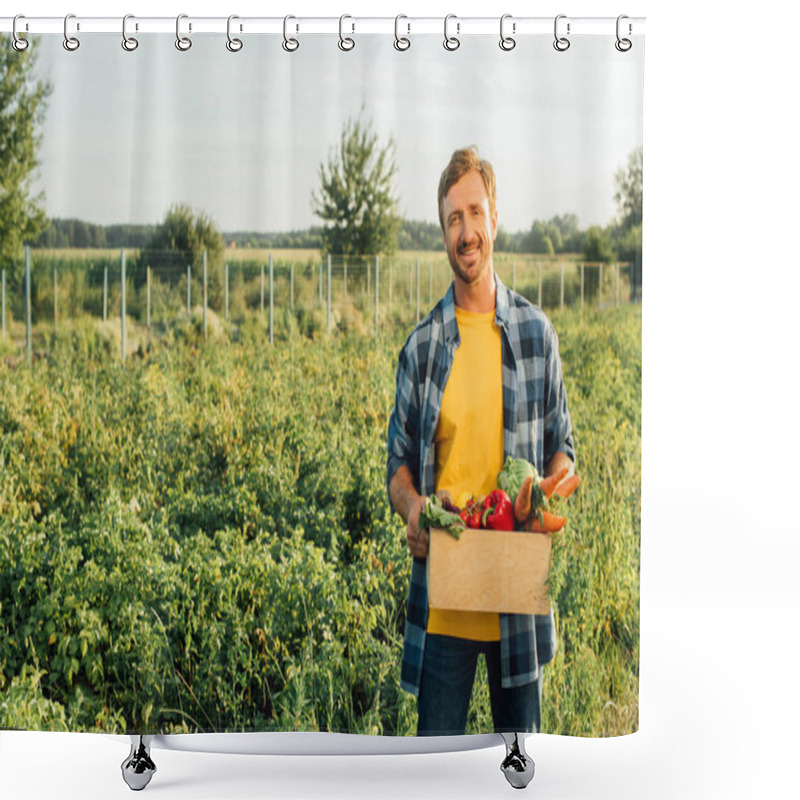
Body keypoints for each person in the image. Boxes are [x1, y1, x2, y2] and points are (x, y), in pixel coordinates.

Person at [386, 146, 575, 736]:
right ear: (443, 232)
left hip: (515, 596)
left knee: (519, 768)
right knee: (432, 775)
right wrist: (414, 505)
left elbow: (562, 446)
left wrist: (547, 492)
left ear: (495, 218)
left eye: (475, 212)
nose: (466, 231)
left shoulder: (535, 334)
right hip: (444, 598)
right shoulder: (422, 346)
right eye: (453, 219)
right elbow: (398, 465)